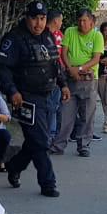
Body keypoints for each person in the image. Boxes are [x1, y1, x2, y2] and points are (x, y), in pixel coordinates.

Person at [0, 0, 70, 197]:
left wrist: (63, 85)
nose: (39, 23)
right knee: (41, 140)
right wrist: (12, 91)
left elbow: (55, 63)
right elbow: (2, 69)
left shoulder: (47, 37)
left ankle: (14, 166)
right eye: (35, 19)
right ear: (27, 18)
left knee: (34, 141)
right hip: (26, 98)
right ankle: (48, 183)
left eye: (42, 18)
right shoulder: (14, 39)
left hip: (47, 95)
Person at [52, 9, 104, 156]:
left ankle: (84, 146)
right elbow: (64, 52)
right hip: (70, 78)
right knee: (65, 113)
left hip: (89, 79)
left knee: (87, 114)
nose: (82, 24)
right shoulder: (70, 31)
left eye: (85, 21)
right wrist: (70, 68)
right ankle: (58, 145)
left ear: (92, 22)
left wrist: (79, 68)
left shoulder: (97, 35)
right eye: (80, 20)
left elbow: (96, 58)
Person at [46, 10, 66, 142]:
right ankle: (50, 135)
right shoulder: (45, 35)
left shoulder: (59, 35)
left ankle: (54, 134)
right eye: (61, 20)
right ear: (55, 20)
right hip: (49, 75)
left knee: (55, 106)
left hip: (59, 74)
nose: (62, 23)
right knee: (51, 106)